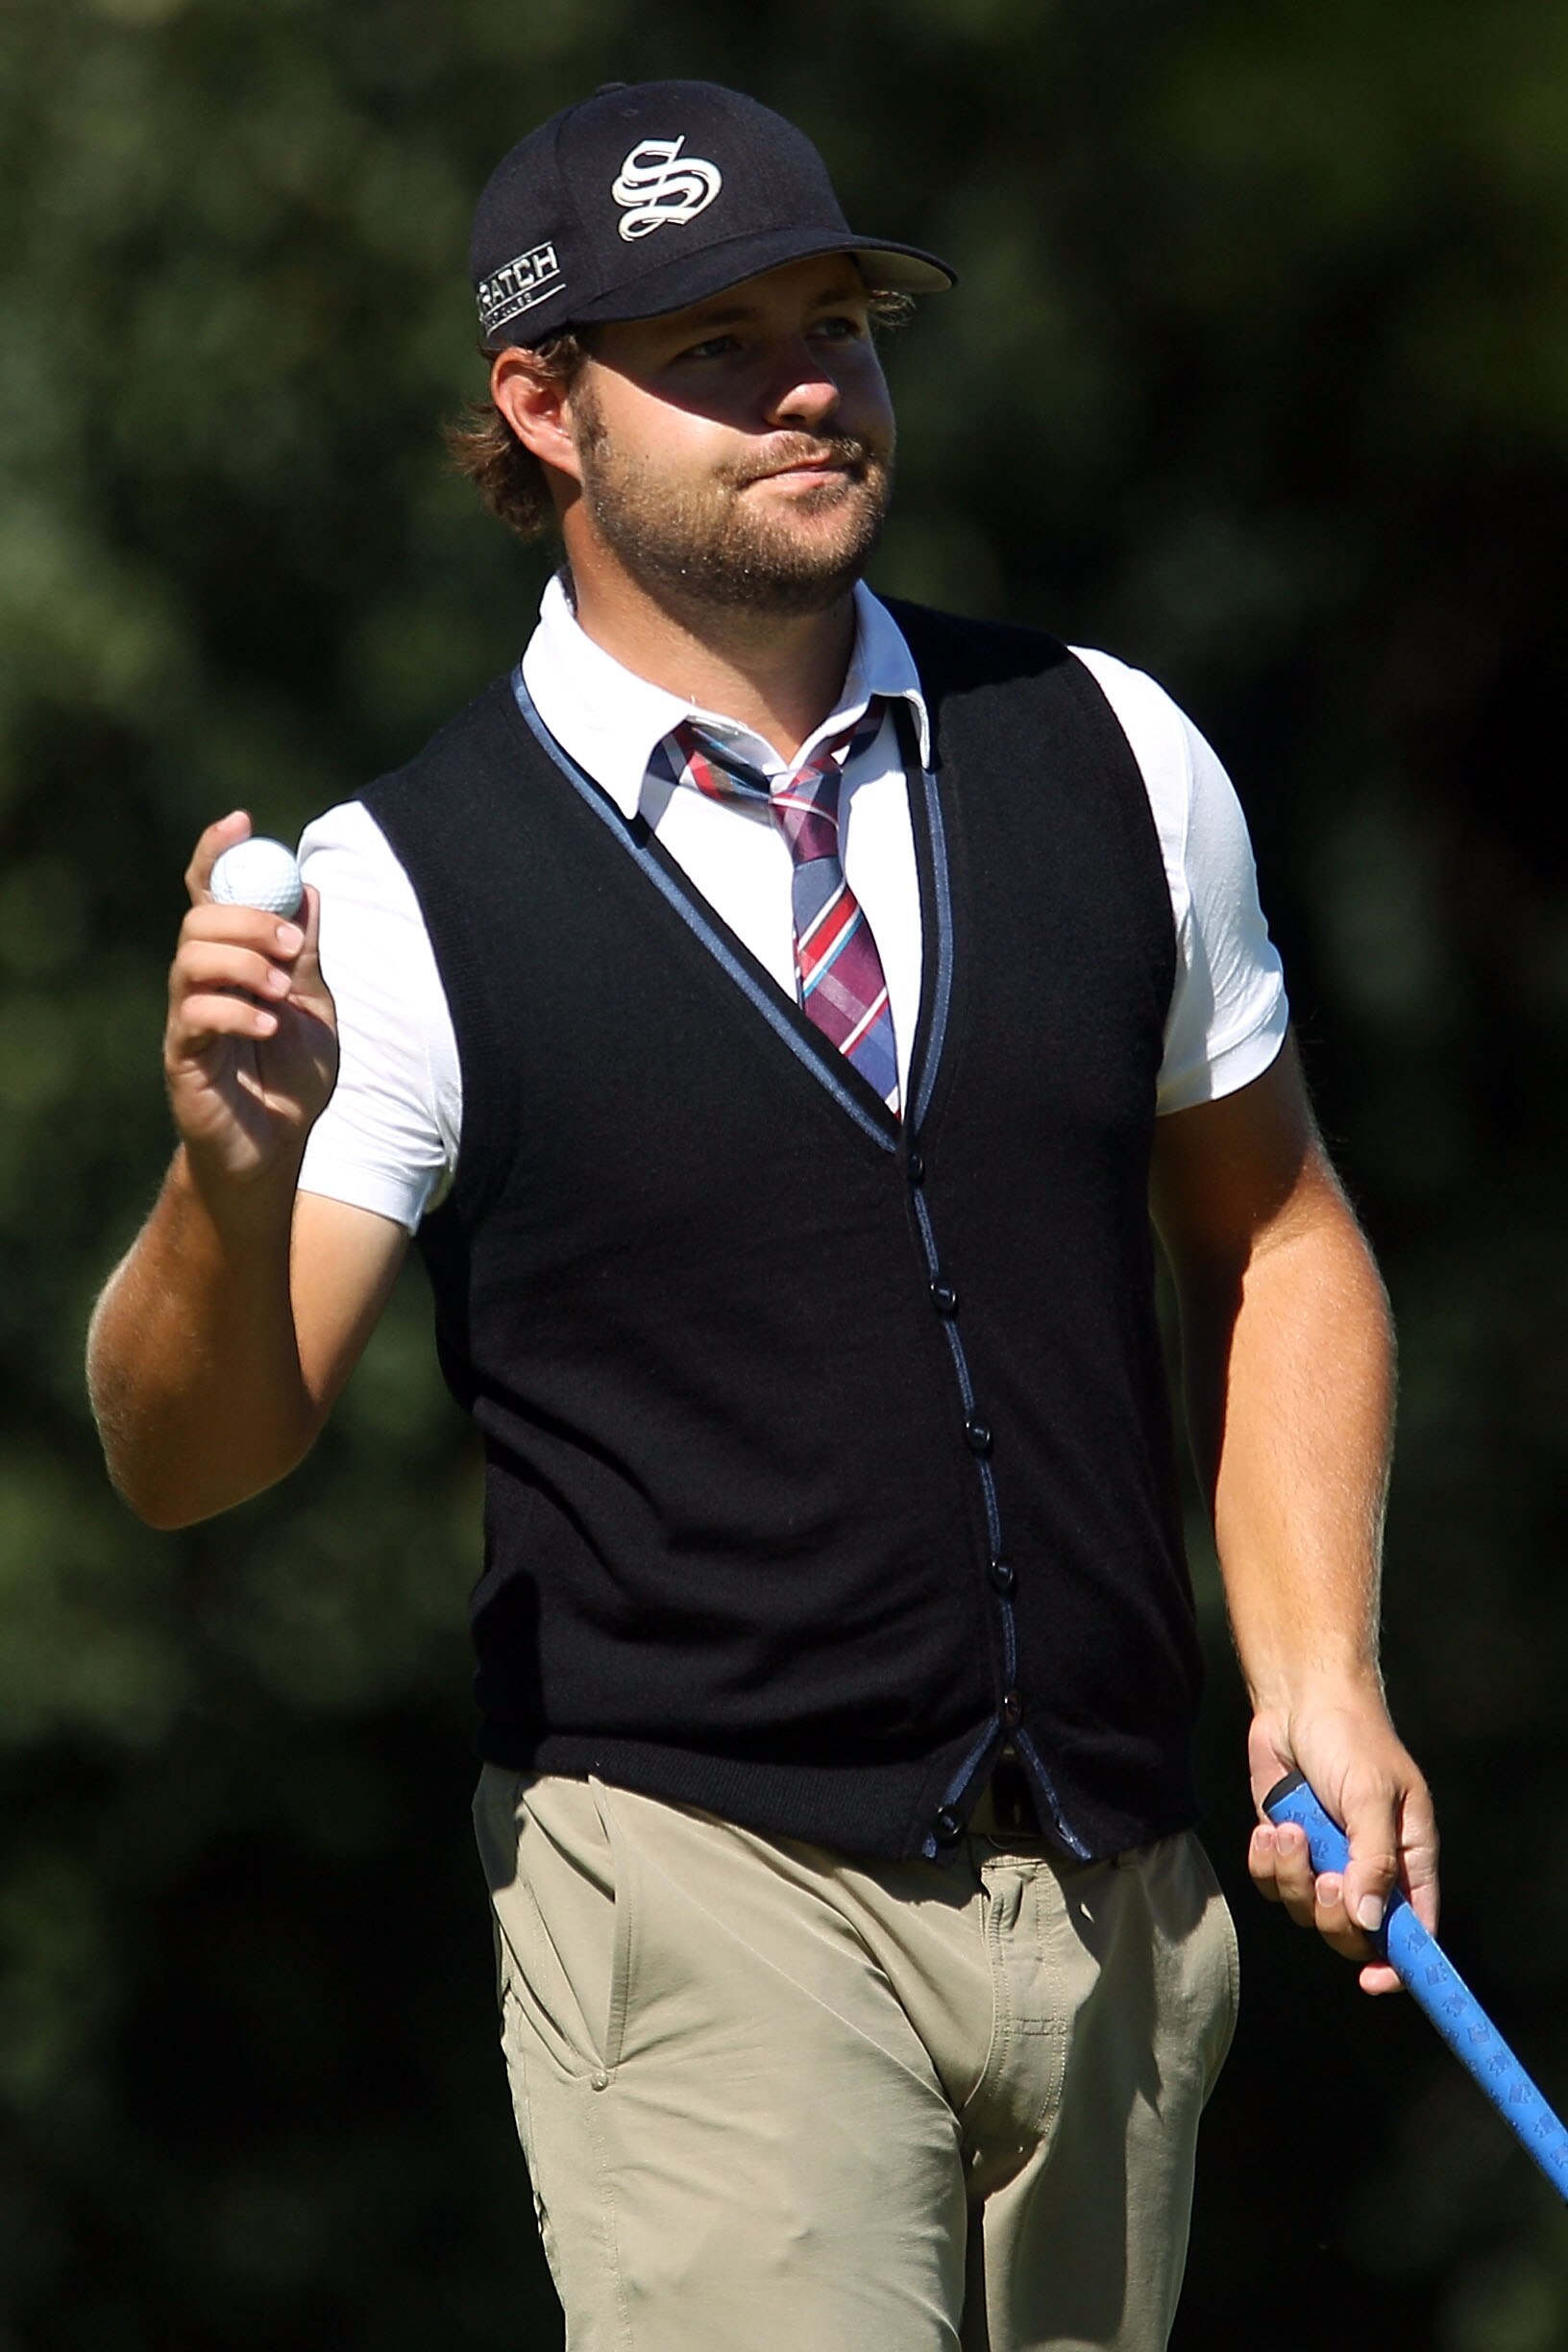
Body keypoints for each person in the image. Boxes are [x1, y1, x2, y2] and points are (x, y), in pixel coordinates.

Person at [87, 78, 1437, 2352]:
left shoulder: (1108, 749)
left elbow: (1281, 1231)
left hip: (1120, 1896)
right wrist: (223, 1187)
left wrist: (1318, 1660)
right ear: (544, 405)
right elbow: (187, 1448)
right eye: (716, 346)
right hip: (701, 1893)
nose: (809, 382)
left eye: (838, 321)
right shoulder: (397, 892)